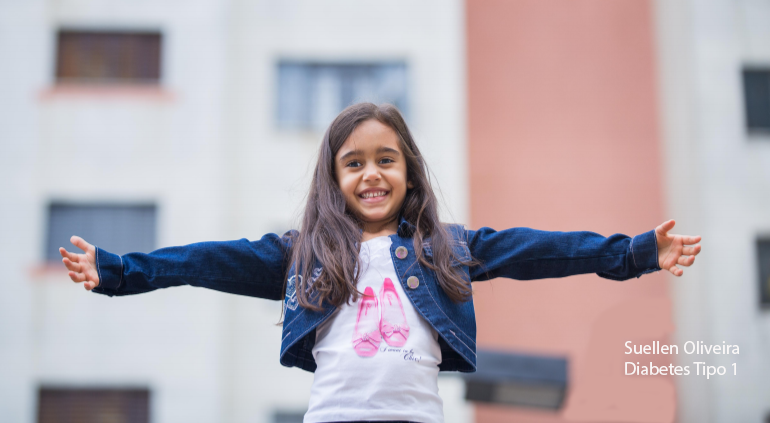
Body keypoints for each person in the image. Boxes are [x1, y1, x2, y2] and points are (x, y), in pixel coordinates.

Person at [59, 102, 702, 423]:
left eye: (386, 160)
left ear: (409, 172)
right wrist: (120, 271)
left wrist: (635, 253)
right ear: (334, 178)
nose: (372, 174)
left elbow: (537, 249)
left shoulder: (447, 246)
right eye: (355, 163)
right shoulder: (302, 254)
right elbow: (206, 262)